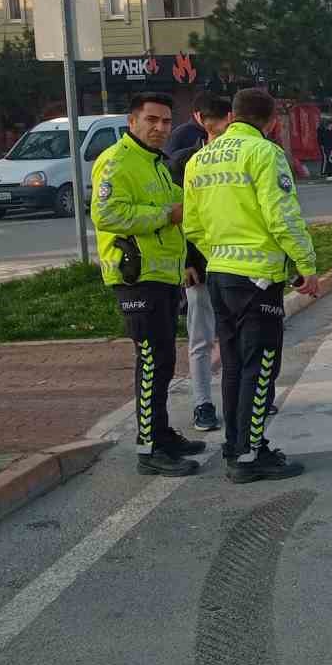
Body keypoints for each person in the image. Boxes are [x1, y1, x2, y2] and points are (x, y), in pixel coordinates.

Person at [184, 88, 320, 483]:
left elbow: (192, 226)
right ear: (272, 121)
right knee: (259, 367)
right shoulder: (265, 153)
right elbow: (282, 217)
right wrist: (306, 265)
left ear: (231, 115)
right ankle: (251, 455)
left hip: (220, 275)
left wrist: (220, 255)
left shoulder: (199, 160)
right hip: (257, 279)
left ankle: (235, 444)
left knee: (232, 366)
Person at [91, 93, 208, 476]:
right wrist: (165, 215)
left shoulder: (156, 164)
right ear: (132, 122)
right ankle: (149, 448)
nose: (160, 128)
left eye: (165, 122)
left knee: (163, 361)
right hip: (135, 278)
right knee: (151, 362)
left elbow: (182, 206)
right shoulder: (117, 161)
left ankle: (160, 433)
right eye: (151, 120)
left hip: (161, 277)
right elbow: (107, 213)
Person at [166, 96, 234, 433]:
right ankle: (203, 404)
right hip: (201, 268)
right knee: (201, 339)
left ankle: (246, 399)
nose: (216, 124)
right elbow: (181, 218)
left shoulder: (243, 157)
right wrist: (187, 262)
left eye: (220, 118)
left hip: (238, 264)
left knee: (238, 338)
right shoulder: (183, 162)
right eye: (210, 118)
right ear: (197, 118)